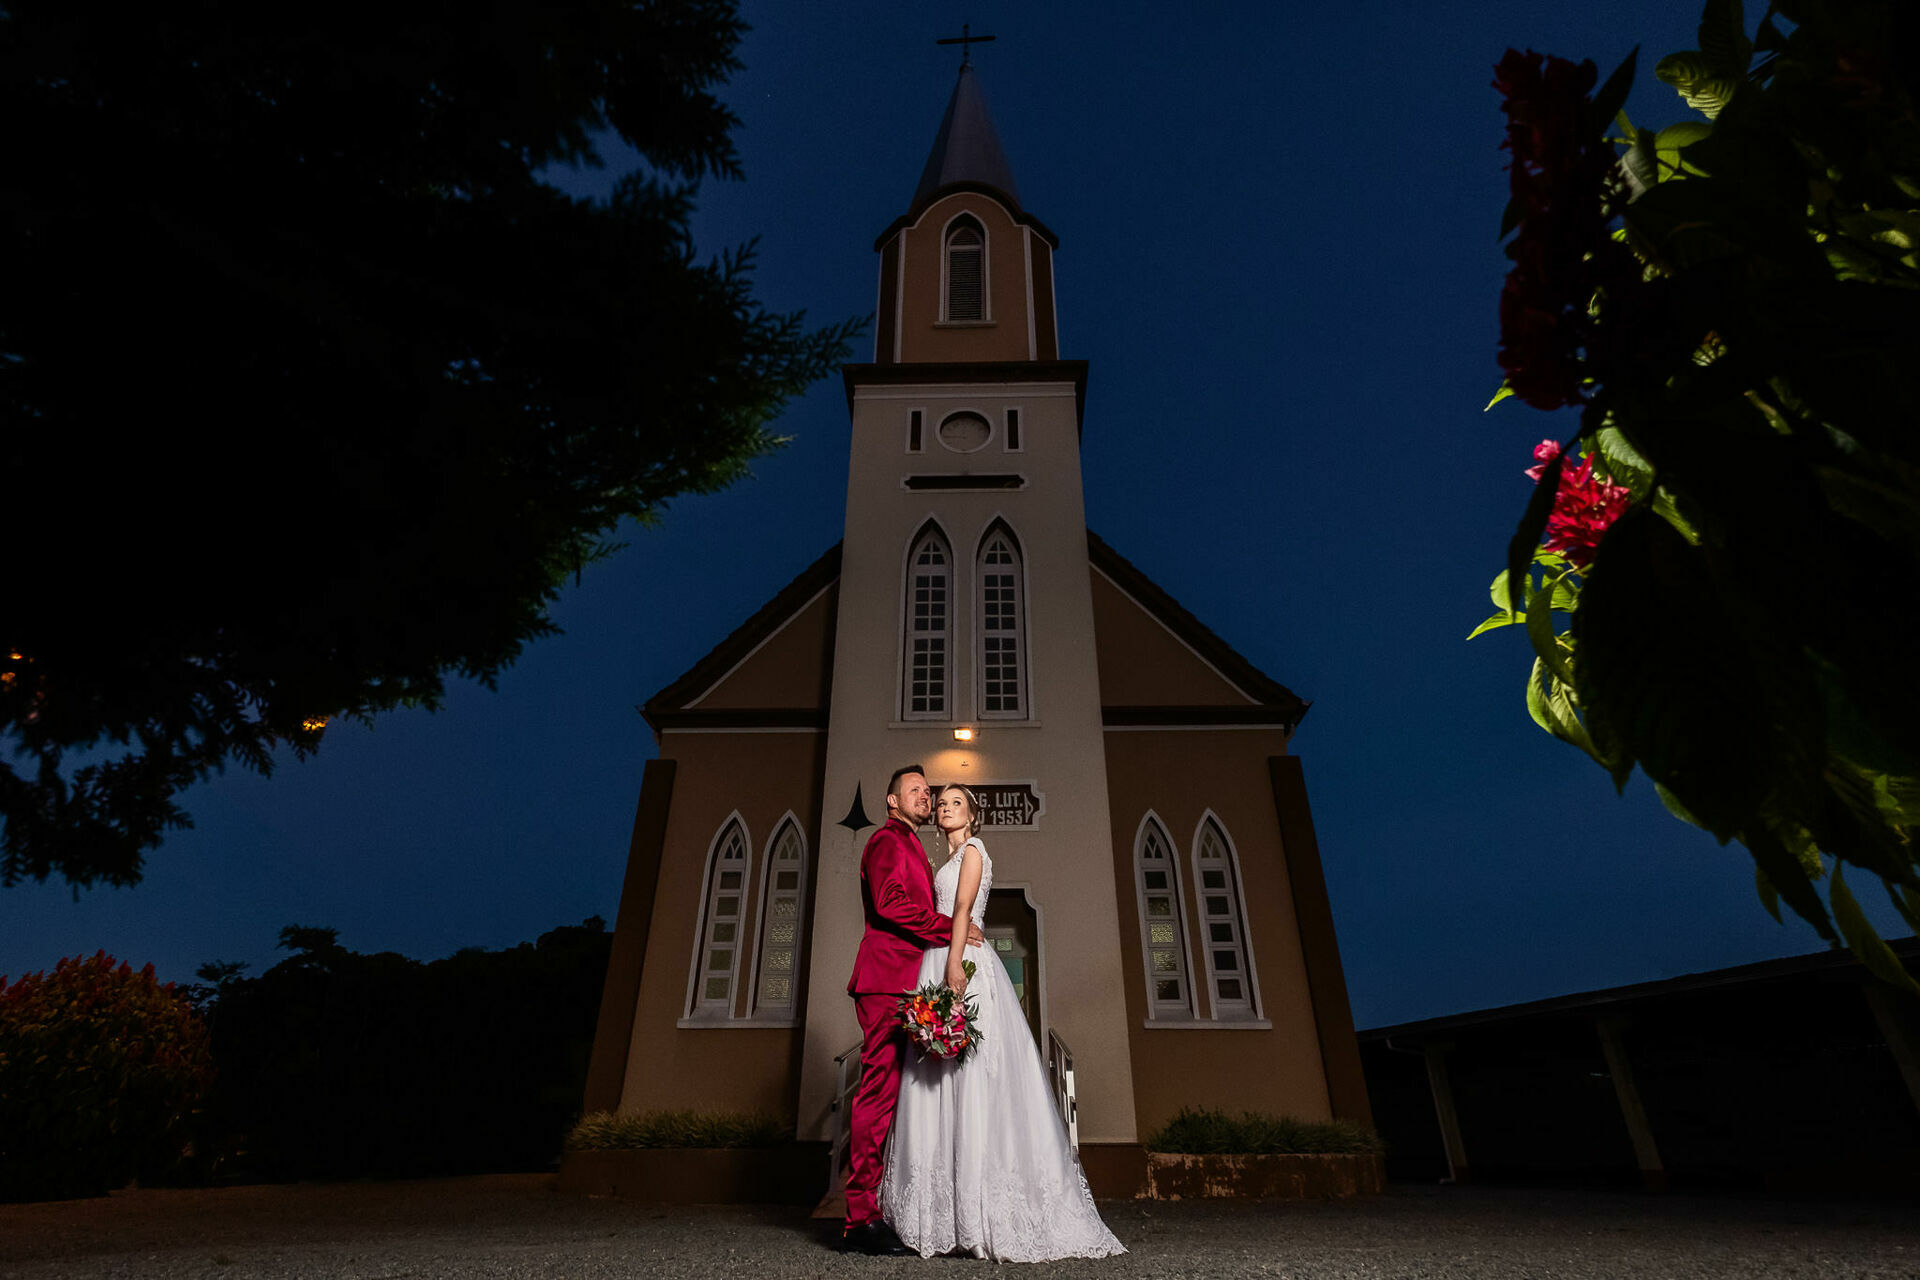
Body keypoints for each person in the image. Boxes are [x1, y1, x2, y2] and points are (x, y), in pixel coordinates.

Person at [881, 783, 1126, 1262]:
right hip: (934, 960)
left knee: (971, 1077)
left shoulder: (974, 851)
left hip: (961, 964)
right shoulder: (943, 862)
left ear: (973, 816)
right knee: (933, 1079)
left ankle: (980, 1215)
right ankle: (938, 1217)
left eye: (957, 803)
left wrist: (953, 967)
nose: (947, 808)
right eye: (943, 803)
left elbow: (963, 911)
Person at [842, 764, 984, 1256]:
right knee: (879, 1095)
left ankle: (889, 1206)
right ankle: (860, 1221)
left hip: (909, 985)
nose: (925, 796)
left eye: (928, 790)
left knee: (900, 1098)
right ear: (892, 802)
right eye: (915, 790)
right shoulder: (886, 842)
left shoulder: (915, 848)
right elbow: (890, 905)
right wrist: (952, 930)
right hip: (885, 983)